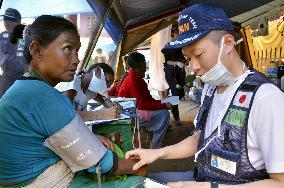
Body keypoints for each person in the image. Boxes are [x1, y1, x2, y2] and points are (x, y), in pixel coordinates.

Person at [125, 3, 284, 187]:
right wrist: (157, 153)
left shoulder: (265, 99)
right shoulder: (211, 88)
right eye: (188, 59)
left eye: (199, 54)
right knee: (138, 183)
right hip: (204, 176)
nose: (194, 66)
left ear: (228, 43)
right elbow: (202, 138)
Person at [0, 15, 146, 187]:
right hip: (41, 182)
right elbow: (101, 164)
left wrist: (88, 138)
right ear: (37, 51)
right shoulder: (45, 96)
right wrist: (136, 166)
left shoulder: (24, 89)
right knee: (139, 178)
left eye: (76, 51)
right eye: (68, 48)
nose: (76, 60)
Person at [118, 52, 171, 149]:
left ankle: (153, 139)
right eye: (144, 63)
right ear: (140, 64)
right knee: (163, 114)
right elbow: (141, 105)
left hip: (134, 110)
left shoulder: (137, 78)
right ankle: (155, 146)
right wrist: (163, 105)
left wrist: (163, 102)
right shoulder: (133, 80)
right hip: (128, 113)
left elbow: (148, 100)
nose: (145, 66)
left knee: (161, 111)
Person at [55, 63, 121, 121]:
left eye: (108, 86)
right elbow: (66, 114)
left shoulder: (88, 90)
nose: (106, 87)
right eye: (106, 81)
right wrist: (100, 114)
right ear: (97, 70)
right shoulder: (73, 82)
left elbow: (103, 100)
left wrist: (112, 106)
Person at [163, 24, 187, 126]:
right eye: (176, 33)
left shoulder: (182, 45)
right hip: (171, 73)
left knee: (180, 93)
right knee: (176, 94)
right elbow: (167, 61)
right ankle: (176, 117)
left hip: (180, 73)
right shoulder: (168, 46)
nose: (178, 35)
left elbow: (184, 59)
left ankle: (164, 103)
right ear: (173, 34)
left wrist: (185, 62)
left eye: (179, 33)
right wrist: (177, 63)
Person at [0, 8, 26, 98]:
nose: (7, 23)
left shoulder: (25, 37)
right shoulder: (2, 36)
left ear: (18, 22)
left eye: (11, 21)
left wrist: (4, 57)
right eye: (5, 20)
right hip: (6, 77)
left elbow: (22, 63)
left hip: (22, 79)